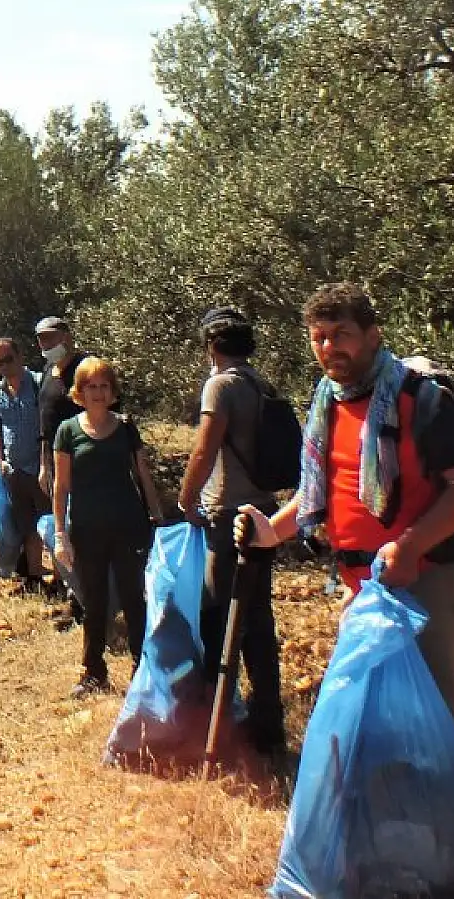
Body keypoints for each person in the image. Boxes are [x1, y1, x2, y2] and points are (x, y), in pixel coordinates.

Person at [238, 283, 454, 717]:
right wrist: (269, 533)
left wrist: (409, 546)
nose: (329, 346)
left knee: (424, 725)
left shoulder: (421, 399)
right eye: (319, 337)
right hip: (365, 588)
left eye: (341, 334)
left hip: (429, 583)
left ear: (373, 335)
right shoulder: (328, 403)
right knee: (369, 723)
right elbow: (319, 492)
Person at [176, 308, 286, 751]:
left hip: (227, 515)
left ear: (213, 346)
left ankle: (218, 722)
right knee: (258, 619)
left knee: (217, 618)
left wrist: (186, 500)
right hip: (264, 513)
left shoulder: (220, 384)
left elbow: (204, 449)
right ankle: (267, 724)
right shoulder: (261, 384)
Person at [52, 357, 161, 696]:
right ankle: (93, 672)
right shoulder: (67, 431)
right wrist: (60, 534)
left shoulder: (126, 427)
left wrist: (158, 519)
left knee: (134, 600)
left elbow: (142, 475)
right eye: (90, 387)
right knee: (94, 603)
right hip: (87, 530)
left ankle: (143, 670)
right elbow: (61, 486)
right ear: (79, 393)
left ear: (112, 392)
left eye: (103, 386)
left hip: (129, 527)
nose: (98, 393)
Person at [0, 338, 48, 586]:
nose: (4, 366)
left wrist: (46, 465)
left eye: (7, 359)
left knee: (52, 526)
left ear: (20, 356)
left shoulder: (38, 383)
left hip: (40, 469)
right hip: (14, 471)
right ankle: (34, 578)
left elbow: (49, 426)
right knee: (27, 527)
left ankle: (62, 581)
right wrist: (1, 460)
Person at [34, 315, 87, 503]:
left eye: (49, 337)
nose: (44, 343)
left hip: (82, 458)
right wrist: (43, 464)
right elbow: (44, 421)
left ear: (66, 337)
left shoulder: (85, 368)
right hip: (54, 459)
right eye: (41, 338)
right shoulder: (49, 369)